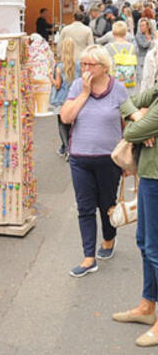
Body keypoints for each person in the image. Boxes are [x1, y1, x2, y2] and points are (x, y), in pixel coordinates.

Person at [60, 44, 128, 278]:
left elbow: (128, 122)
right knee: (85, 207)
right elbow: (66, 117)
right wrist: (84, 94)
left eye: (90, 64)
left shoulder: (118, 89)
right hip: (80, 157)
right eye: (83, 64)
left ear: (103, 66)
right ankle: (89, 257)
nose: (85, 68)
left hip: (109, 158)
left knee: (106, 204)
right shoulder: (79, 86)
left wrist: (129, 160)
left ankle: (108, 240)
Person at [114, 87, 158, 347]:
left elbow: (131, 133)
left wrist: (136, 124)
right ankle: (147, 305)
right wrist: (137, 115)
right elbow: (124, 101)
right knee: (144, 243)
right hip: (148, 175)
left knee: (154, 248)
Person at [50, 38, 75, 160]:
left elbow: (58, 85)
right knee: (71, 124)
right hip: (73, 98)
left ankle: (66, 148)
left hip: (61, 99)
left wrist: (50, 77)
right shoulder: (78, 65)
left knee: (61, 124)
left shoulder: (59, 66)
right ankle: (70, 146)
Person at [105, 21, 138, 90]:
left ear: (113, 33)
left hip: (113, 81)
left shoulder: (108, 47)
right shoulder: (133, 47)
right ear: (125, 33)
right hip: (129, 80)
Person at [136, 17, 156, 87]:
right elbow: (143, 45)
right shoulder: (138, 36)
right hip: (142, 60)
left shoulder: (153, 35)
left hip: (152, 60)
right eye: (140, 25)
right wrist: (152, 41)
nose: (141, 27)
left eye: (143, 25)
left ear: (148, 26)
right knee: (142, 80)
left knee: (151, 80)